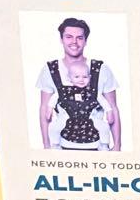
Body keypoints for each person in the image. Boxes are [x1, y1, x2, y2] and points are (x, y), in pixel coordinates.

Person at [36, 18, 122, 152]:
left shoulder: (101, 69)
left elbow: (113, 107)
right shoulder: (50, 69)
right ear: (61, 39)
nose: (74, 42)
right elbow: (44, 108)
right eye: (69, 37)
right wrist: (47, 147)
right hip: (62, 145)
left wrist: (117, 146)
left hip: (96, 145)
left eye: (80, 38)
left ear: (85, 41)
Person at [44, 58, 116, 151]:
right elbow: (53, 100)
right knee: (53, 127)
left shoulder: (94, 91)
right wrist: (49, 109)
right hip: (67, 117)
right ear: (69, 78)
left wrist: (109, 112)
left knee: (104, 127)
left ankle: (104, 144)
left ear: (90, 77)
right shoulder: (63, 91)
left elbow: (104, 102)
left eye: (85, 77)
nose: (81, 80)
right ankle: (55, 144)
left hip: (90, 117)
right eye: (77, 77)